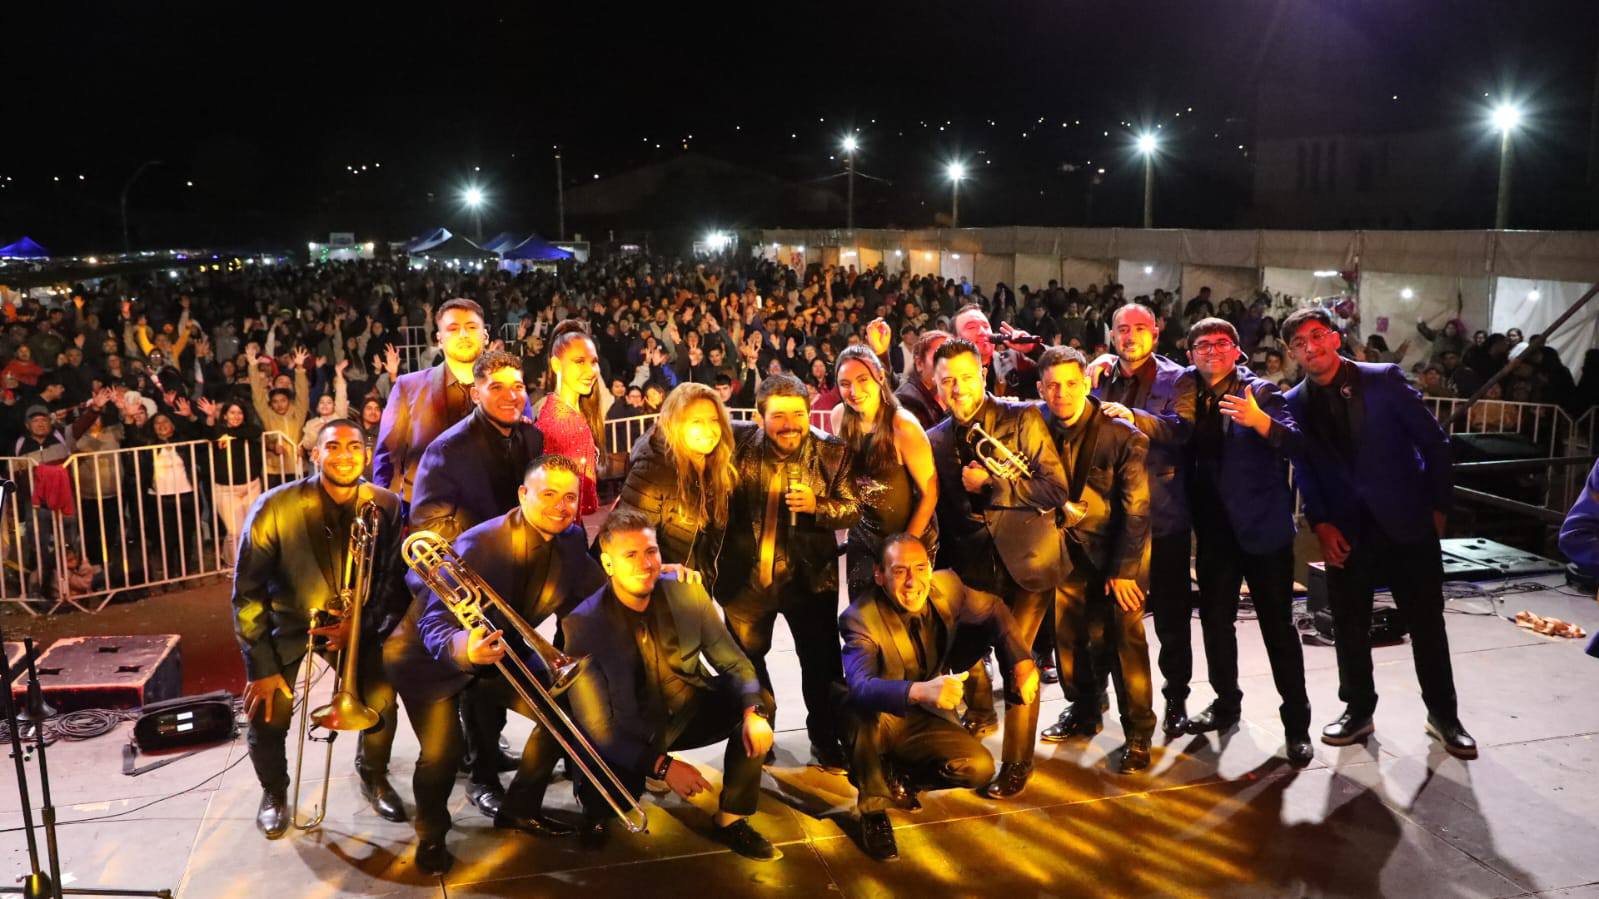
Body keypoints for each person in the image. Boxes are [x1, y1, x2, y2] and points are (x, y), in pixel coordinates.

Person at [387, 456, 605, 875]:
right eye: (548, 494)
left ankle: (519, 808)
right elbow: (433, 622)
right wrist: (464, 649)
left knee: (562, 712)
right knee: (441, 753)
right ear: (523, 495)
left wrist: (655, 583)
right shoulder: (481, 544)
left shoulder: (572, 538)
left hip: (498, 648)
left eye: (569, 497)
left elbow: (596, 598)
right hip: (428, 659)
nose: (561, 506)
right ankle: (431, 835)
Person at [1281, 308, 1476, 758]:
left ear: (1335, 337)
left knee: (1427, 623)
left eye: (1317, 335)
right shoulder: (1293, 401)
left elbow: (1434, 443)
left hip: (1408, 521)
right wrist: (1321, 522)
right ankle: (1357, 710)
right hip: (1345, 530)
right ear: (1291, 353)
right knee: (1348, 625)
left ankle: (1444, 715)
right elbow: (1304, 468)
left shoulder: (1383, 378)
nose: (1311, 347)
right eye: (1299, 343)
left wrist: (1438, 509)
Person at [563, 509, 780, 860]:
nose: (645, 563)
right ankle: (596, 808)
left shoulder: (687, 593)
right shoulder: (584, 624)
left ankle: (731, 819)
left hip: (684, 711)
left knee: (758, 700)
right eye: (630, 555)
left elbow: (734, 662)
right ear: (608, 563)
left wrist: (753, 712)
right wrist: (663, 767)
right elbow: (600, 729)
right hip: (627, 731)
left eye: (651, 551)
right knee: (610, 804)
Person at [231, 419, 411, 838]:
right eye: (333, 447)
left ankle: (374, 775)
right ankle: (274, 791)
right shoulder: (274, 506)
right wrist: (261, 667)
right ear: (315, 454)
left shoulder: (385, 504)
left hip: (356, 625)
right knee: (268, 710)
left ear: (366, 453)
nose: (344, 456)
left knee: (381, 701)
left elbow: (391, 582)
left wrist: (361, 626)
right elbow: (246, 593)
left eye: (353, 447)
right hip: (289, 624)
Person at [926, 338, 1068, 797]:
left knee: (1017, 662)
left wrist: (994, 484)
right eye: (948, 380)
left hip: (1027, 565)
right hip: (971, 571)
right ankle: (981, 715)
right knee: (958, 657)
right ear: (935, 385)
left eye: (967, 377)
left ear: (983, 375)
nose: (958, 387)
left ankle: (1017, 763)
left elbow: (1055, 489)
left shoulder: (1022, 417)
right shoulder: (934, 439)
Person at [840, 533, 1038, 861]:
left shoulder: (947, 588)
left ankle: (898, 775)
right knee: (856, 712)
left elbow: (994, 609)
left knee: (978, 768)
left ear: (931, 568)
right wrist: (920, 691)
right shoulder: (859, 618)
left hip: (925, 714)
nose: (911, 581)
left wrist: (1021, 660)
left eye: (919, 568)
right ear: (879, 575)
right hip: (879, 715)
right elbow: (860, 686)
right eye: (899, 571)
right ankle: (873, 813)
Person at [1177, 319, 1313, 767]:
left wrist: (1259, 421)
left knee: (1278, 628)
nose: (1212, 351)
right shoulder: (1185, 390)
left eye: (1222, 343)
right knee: (1216, 623)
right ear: (1190, 353)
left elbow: (1298, 443)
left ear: (1238, 351)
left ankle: (1297, 724)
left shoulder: (1263, 392)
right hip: (1213, 533)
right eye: (1203, 345)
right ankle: (1225, 703)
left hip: (1263, 531)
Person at [718, 373, 859, 771]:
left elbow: (853, 507)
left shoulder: (832, 451)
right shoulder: (736, 443)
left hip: (810, 579)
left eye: (798, 414)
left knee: (821, 665)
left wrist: (819, 505)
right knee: (747, 662)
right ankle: (760, 732)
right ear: (759, 416)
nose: (790, 425)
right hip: (745, 580)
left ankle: (826, 739)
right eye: (779, 416)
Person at [1029, 347, 1157, 772]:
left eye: (1071, 383)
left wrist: (1125, 572)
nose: (1061, 393)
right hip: (1062, 552)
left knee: (1125, 644)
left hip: (1117, 554)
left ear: (1087, 382)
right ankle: (1084, 710)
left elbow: (1137, 511)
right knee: (1068, 639)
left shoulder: (1123, 434)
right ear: (1040, 388)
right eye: (1052, 385)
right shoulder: (1032, 423)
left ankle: (1138, 732)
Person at [1087, 302, 1196, 736]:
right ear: (1112, 335)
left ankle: (1176, 698)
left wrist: (1135, 418)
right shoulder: (1101, 375)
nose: (1129, 336)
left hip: (1163, 516)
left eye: (1138, 328)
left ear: (1156, 332)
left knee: (1171, 618)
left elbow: (1183, 431)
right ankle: (1096, 697)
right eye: (1121, 329)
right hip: (1109, 519)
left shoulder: (1178, 378)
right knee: (1103, 617)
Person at [830, 345, 939, 599]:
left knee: (902, 613)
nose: (854, 391)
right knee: (862, 613)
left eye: (862, 380)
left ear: (880, 377)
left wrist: (905, 548)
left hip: (908, 533)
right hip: (863, 536)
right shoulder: (838, 417)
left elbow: (930, 493)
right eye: (845, 384)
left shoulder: (903, 425)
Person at [374, 299, 499, 508]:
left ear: (485, 336)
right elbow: (388, 457)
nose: (463, 334)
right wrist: (385, 511)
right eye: (453, 328)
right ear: (439, 339)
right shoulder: (408, 387)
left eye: (471, 327)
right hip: (422, 514)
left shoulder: (509, 390)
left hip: (491, 514)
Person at [409, 350, 544, 542]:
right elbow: (428, 527)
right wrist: (494, 542)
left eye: (518, 386)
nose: (511, 396)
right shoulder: (447, 449)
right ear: (476, 395)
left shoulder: (533, 438)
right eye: (497, 387)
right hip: (473, 557)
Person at [615, 382, 737, 584]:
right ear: (676, 423)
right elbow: (626, 538)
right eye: (697, 422)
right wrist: (662, 571)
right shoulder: (654, 469)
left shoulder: (717, 464)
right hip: (655, 584)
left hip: (691, 585)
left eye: (714, 420)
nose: (709, 431)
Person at [535, 320, 605, 516]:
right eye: (579, 361)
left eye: (594, 362)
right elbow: (581, 503)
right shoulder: (567, 423)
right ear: (556, 365)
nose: (591, 371)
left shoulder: (553, 408)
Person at [196, 398, 265, 566]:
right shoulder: (217, 431)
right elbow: (209, 433)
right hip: (226, 490)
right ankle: (233, 565)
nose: (236, 416)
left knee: (251, 528)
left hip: (252, 486)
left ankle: (246, 562)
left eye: (239, 413)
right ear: (225, 415)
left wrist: (228, 434)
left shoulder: (248, 430)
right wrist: (211, 417)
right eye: (232, 412)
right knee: (235, 531)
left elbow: (255, 431)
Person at [893, 329, 951, 430]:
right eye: (939, 357)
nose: (948, 364)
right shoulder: (907, 402)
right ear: (919, 363)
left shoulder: (947, 392)